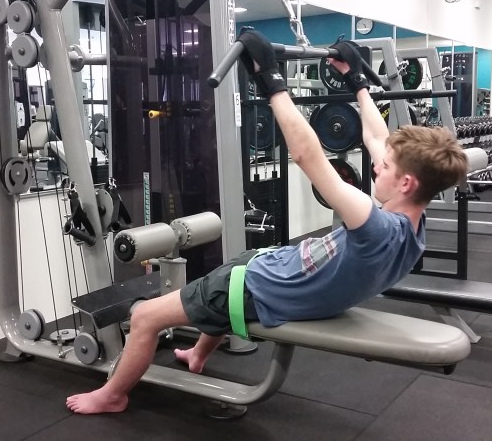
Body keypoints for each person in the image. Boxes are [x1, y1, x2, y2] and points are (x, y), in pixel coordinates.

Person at [66, 29, 468, 415]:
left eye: (386, 167)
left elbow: (308, 156)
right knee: (235, 266)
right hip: (272, 270)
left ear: (406, 182)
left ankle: (112, 395)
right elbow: (378, 140)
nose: (377, 165)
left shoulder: (374, 227)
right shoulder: (414, 224)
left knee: (144, 317)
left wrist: (271, 80)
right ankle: (198, 354)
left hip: (258, 290)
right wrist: (357, 82)